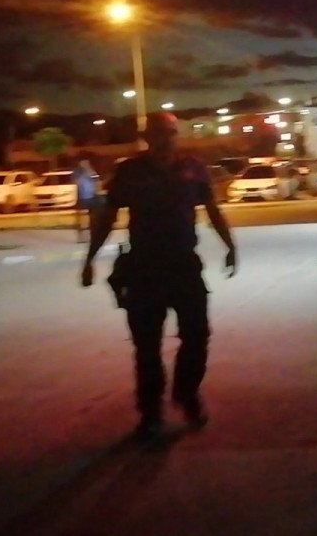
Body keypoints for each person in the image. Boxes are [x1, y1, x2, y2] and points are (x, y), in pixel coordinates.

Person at [80, 113, 237, 442]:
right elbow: (108, 217)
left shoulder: (193, 168)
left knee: (197, 335)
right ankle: (151, 413)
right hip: (144, 269)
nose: (166, 139)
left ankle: (187, 393)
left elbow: (212, 209)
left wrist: (230, 245)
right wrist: (90, 258)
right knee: (147, 346)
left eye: (171, 132)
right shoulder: (129, 171)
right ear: (147, 136)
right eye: (159, 133)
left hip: (184, 266)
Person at [72, 159, 99, 243]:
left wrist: (89, 171)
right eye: (83, 163)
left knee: (93, 218)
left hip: (92, 197)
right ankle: (82, 237)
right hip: (82, 198)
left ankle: (92, 236)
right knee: (82, 218)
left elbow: (96, 180)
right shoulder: (77, 172)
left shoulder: (91, 170)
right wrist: (83, 174)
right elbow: (76, 182)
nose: (85, 164)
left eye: (86, 163)